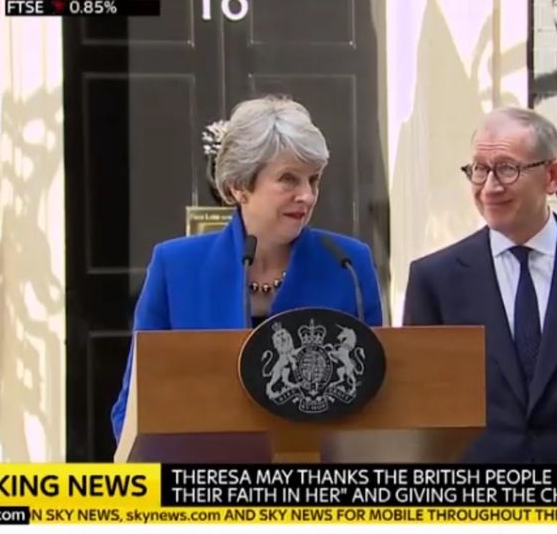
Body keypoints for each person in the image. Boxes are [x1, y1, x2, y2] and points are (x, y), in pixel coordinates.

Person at [111, 96, 384, 441]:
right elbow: (131, 408)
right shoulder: (175, 268)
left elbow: (380, 397)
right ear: (238, 186)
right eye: (289, 179)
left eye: (313, 180)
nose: (307, 196)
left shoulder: (349, 265)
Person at [402, 106, 557, 463]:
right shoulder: (435, 280)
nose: (489, 186)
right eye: (479, 170)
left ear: (552, 176)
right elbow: (421, 406)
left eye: (506, 168)